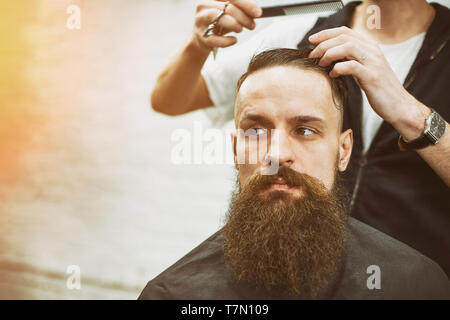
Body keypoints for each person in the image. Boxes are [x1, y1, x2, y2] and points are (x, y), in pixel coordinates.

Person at [150, 1, 450, 276]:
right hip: (297, 275)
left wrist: (410, 114)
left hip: (418, 281)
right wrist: (198, 45)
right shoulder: (302, 33)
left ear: (343, 148)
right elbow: (169, 100)